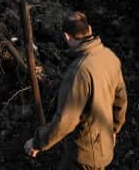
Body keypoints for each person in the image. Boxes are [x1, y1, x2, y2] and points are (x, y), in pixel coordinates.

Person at [24, 12, 127, 170]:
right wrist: (113, 130)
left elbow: (66, 120)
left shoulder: (79, 71)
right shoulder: (110, 58)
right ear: (90, 29)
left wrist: (38, 142)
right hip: (104, 149)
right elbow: (121, 100)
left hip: (83, 156)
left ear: (67, 36)